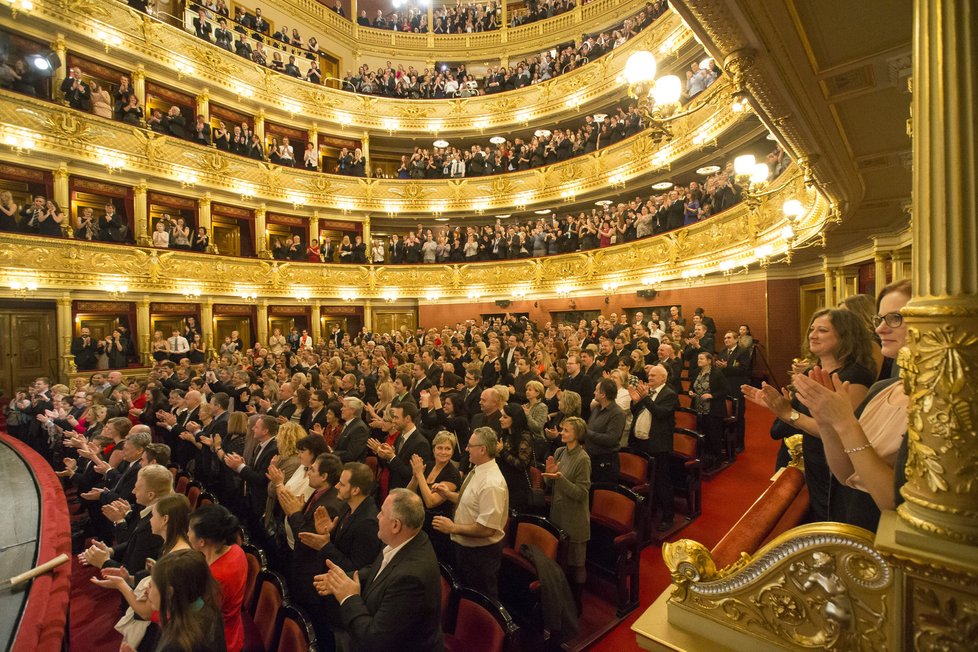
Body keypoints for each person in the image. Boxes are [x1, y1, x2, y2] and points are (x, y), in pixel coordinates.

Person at [778, 280, 913, 532]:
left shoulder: (938, 403)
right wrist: (825, 418)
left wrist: (841, 422)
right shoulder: (882, 389)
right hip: (850, 516)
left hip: (885, 534)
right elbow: (844, 476)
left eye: (895, 318)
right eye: (879, 319)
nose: (882, 328)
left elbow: (893, 502)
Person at [743, 308, 876, 523]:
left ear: (846, 336)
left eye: (822, 330)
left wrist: (789, 413)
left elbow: (840, 431)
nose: (813, 335)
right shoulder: (809, 372)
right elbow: (793, 415)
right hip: (811, 457)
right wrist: (778, 406)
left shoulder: (854, 376)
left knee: (832, 517)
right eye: (812, 329)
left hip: (837, 465)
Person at [314, 489, 443, 652]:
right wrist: (344, 580)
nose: (377, 517)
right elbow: (379, 569)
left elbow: (374, 641)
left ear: (396, 525)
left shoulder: (411, 578)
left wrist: (348, 596)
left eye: (382, 513)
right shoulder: (406, 538)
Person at [431, 426, 508, 600]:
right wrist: (448, 494)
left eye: (470, 446)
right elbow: (471, 501)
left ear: (482, 449)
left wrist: (452, 527)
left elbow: (487, 529)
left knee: (480, 602)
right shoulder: (478, 469)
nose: (466, 449)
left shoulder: (491, 483)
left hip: (480, 555)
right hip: (467, 549)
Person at [543, 416, 591, 599]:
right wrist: (551, 475)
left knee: (577, 563)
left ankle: (577, 600)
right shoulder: (560, 452)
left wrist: (560, 478)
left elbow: (581, 493)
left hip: (575, 518)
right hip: (558, 514)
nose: (562, 433)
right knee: (560, 560)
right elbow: (550, 482)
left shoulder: (583, 458)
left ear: (577, 434)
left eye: (566, 430)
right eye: (562, 430)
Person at [187, 505, 247, 652]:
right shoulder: (236, 550)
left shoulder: (216, 576)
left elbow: (195, 613)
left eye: (189, 530)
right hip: (232, 627)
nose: (187, 534)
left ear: (202, 541)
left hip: (216, 640)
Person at [144, 549, 227, 651]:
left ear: (169, 593)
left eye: (151, 585)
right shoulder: (210, 612)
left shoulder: (175, 645)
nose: (147, 590)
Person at [628, 364, 679, 530]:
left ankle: (668, 517)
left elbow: (660, 413)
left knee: (662, 481)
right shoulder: (647, 393)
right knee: (647, 479)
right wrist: (635, 401)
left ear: (663, 378)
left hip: (658, 445)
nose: (649, 378)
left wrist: (645, 398)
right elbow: (636, 411)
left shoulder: (669, 394)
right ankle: (652, 510)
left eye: (653, 376)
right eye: (649, 376)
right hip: (641, 442)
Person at [407, 431, 462, 563]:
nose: (443, 452)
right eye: (440, 448)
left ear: (452, 451)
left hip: (437, 528)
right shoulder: (429, 465)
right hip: (420, 522)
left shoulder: (452, 474)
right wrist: (415, 477)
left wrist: (420, 475)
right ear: (433, 449)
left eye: (448, 449)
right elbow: (408, 493)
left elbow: (431, 502)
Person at [688, 352, 730, 468]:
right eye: (698, 358)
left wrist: (712, 395)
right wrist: (690, 392)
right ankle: (705, 459)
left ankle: (716, 460)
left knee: (713, 436)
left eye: (701, 359)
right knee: (703, 434)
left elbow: (726, 390)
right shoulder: (697, 372)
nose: (699, 360)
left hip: (713, 410)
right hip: (698, 409)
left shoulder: (716, 373)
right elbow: (692, 386)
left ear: (709, 361)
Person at [586, 378, 626, 482]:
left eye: (596, 390)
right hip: (592, 458)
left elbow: (611, 439)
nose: (594, 392)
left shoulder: (617, 413)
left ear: (603, 394)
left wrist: (587, 433)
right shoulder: (597, 409)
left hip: (605, 463)